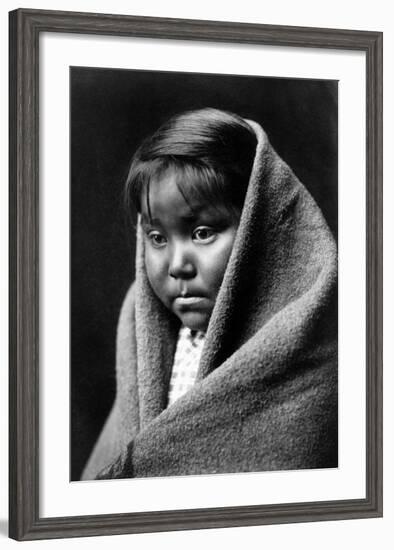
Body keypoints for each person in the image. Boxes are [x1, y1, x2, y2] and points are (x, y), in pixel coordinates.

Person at [81, 108, 338, 480]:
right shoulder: (142, 335)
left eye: (202, 232)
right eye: (157, 238)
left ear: (259, 229)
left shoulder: (310, 349)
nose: (177, 265)